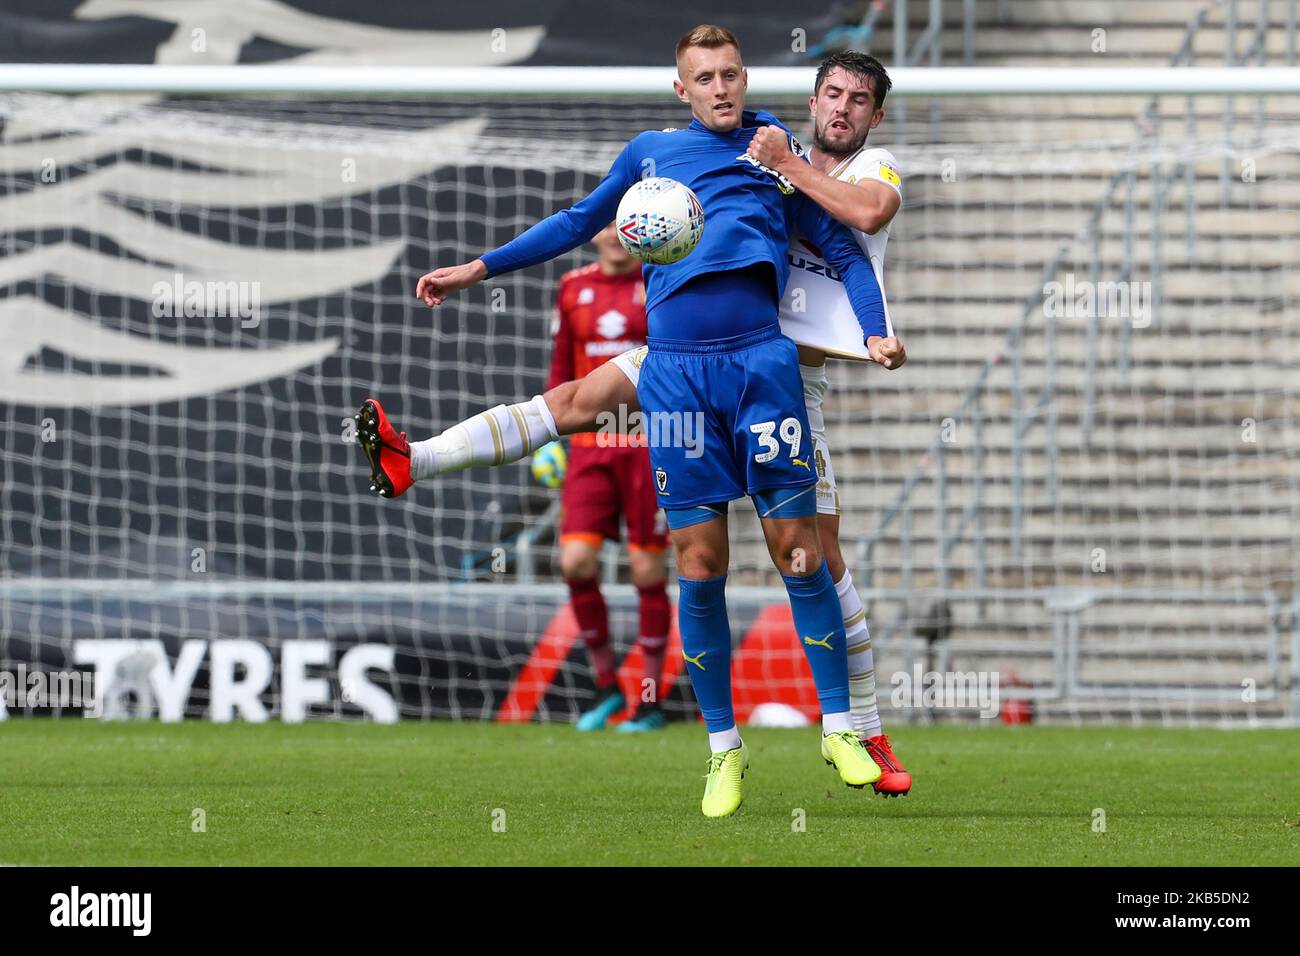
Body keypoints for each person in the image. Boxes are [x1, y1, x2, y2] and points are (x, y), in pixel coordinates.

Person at [357, 24, 897, 817]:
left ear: (746, 79)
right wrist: (480, 267)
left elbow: (847, 249)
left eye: (732, 74)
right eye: (705, 77)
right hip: (674, 372)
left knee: (803, 554)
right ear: (682, 89)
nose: (721, 87)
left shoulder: (773, 153)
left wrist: (875, 326)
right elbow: (578, 221)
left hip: (762, 367)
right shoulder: (649, 153)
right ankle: (722, 751)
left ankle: (844, 728)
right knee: (698, 562)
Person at [545, 224, 671, 734]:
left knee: (647, 571)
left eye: (628, 226)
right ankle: (604, 685)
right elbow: (561, 365)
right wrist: (550, 436)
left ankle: (650, 699)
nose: (617, 235)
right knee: (575, 562)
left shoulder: (660, 280)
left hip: (649, 440)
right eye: (608, 225)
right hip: (590, 445)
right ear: (594, 233)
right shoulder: (573, 286)